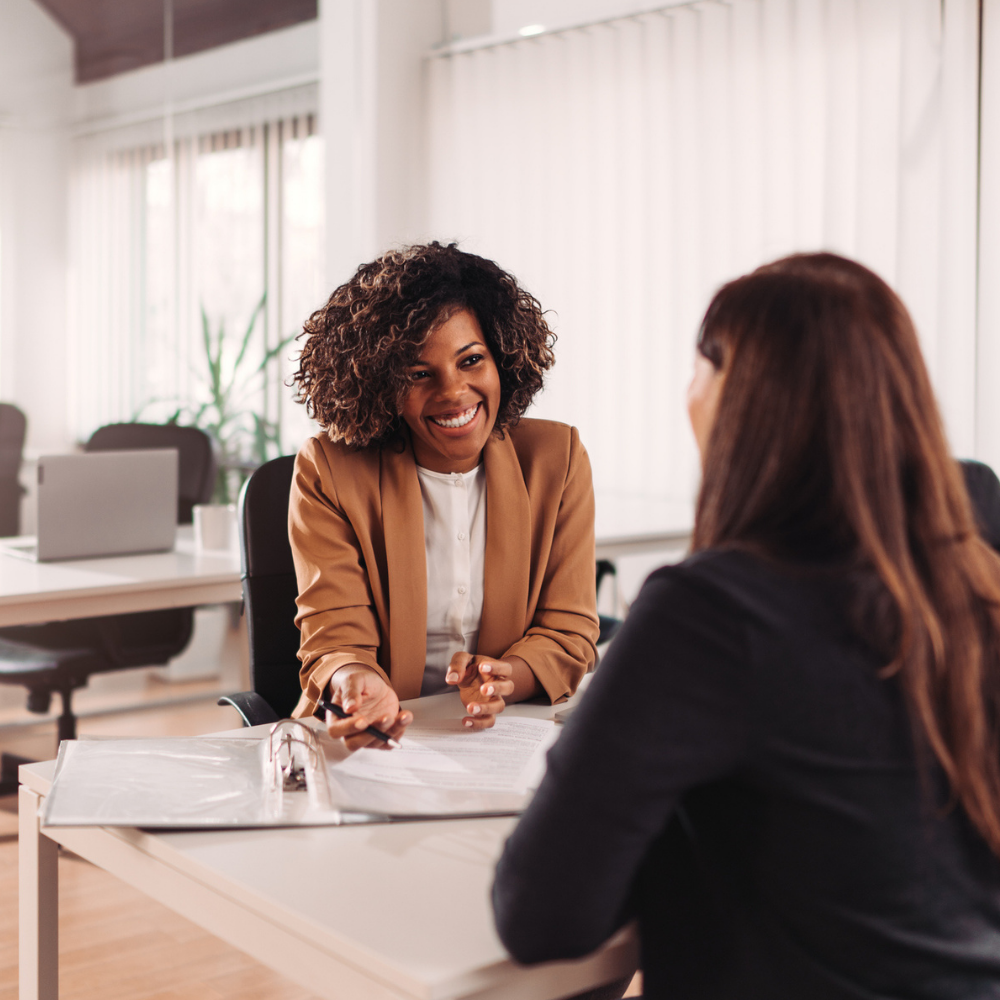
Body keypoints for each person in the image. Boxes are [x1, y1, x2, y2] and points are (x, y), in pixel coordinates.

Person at [492, 252, 1000, 998]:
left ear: (741, 397)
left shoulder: (710, 615)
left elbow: (543, 914)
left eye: (699, 365)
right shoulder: (976, 592)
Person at [288, 242, 599, 748]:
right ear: (381, 384)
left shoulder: (556, 458)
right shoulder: (330, 469)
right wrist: (355, 683)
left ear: (502, 357)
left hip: (505, 737)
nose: (453, 391)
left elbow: (568, 628)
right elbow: (335, 637)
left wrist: (506, 677)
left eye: (471, 360)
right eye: (418, 373)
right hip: (374, 741)